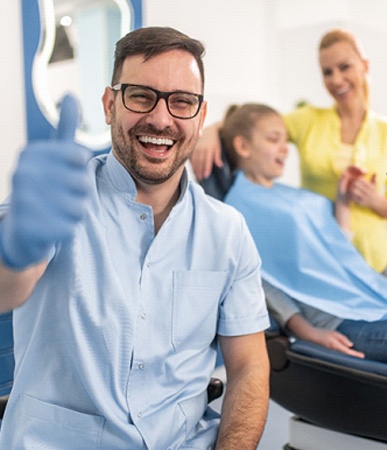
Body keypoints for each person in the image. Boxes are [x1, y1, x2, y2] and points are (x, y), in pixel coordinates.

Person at [0, 27, 270, 449]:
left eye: (182, 102)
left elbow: (250, 367)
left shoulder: (227, 230)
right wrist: (14, 252)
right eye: (142, 96)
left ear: (200, 118)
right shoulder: (56, 201)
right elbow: (7, 287)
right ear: (110, 106)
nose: (161, 119)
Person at [190, 28, 387, 276]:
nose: (335, 79)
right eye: (327, 72)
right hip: (320, 261)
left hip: (374, 262)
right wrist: (213, 129)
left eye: (344, 67)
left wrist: (374, 201)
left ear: (365, 65)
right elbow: (255, 126)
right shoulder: (308, 120)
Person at [221, 102, 387, 363]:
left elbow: (336, 245)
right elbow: (263, 284)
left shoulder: (292, 196)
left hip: (368, 298)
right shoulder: (236, 210)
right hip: (337, 320)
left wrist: (342, 198)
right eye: (274, 139)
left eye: (285, 141)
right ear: (243, 146)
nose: (285, 149)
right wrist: (310, 333)